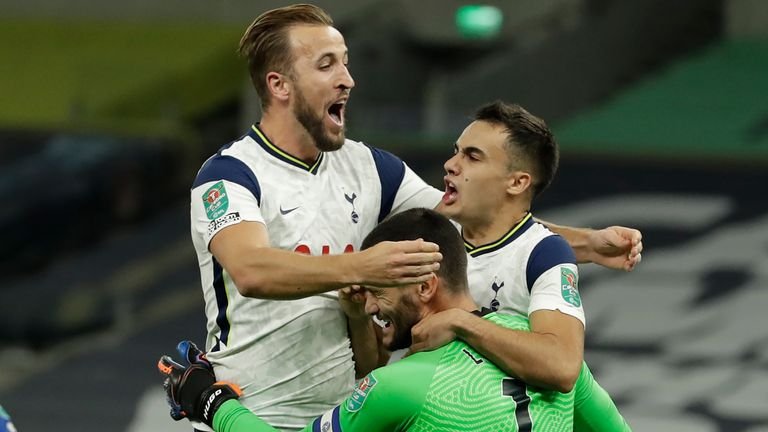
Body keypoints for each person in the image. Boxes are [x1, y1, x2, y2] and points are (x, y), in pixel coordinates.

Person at [189, 4, 641, 430]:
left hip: (354, 411)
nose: (347, 79)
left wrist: (585, 243)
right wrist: (364, 266)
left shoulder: (370, 168)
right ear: (279, 86)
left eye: (346, 63)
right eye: (326, 65)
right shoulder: (230, 176)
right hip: (255, 409)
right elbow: (251, 269)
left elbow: (469, 224)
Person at [161, 208, 577, 431]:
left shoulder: (401, 387)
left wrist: (211, 402)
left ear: (425, 287)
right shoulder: (541, 349)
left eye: (379, 285)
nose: (372, 305)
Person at [409, 101, 632, 430]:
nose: (450, 164)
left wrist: (461, 322)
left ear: (516, 183)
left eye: (472, 156)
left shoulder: (543, 254)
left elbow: (562, 366)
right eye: (455, 151)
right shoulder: (426, 235)